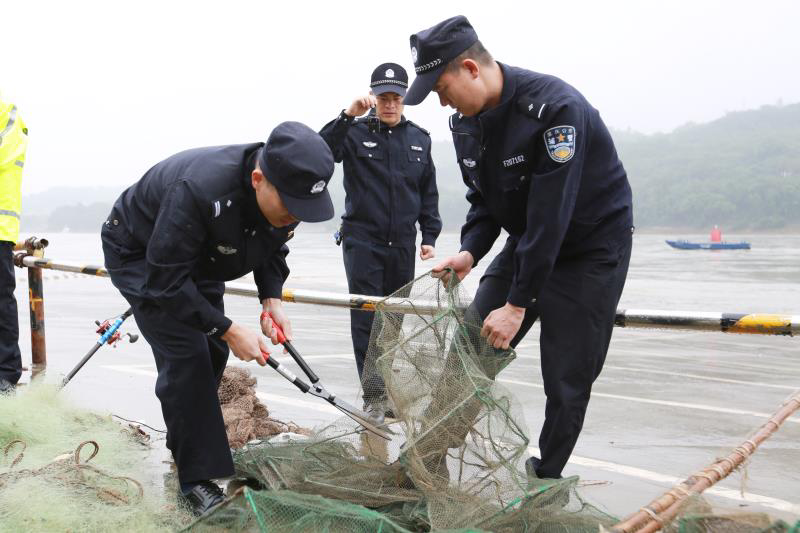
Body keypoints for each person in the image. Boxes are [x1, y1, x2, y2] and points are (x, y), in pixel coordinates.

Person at [403, 16, 634, 481]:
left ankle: (545, 479)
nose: (441, 101)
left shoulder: (555, 111)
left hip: (589, 250)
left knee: (568, 377)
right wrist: (470, 252)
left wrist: (517, 304)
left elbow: (553, 216)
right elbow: (486, 201)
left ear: (470, 68)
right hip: (529, 240)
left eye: (442, 89)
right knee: (468, 350)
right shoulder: (467, 123)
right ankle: (426, 465)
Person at [101, 122, 334, 515]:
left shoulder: (286, 196)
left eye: (303, 210)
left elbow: (273, 247)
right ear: (258, 179)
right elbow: (166, 282)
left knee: (211, 352)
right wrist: (228, 329)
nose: (295, 216)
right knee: (187, 353)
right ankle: (195, 481)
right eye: (290, 207)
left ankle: (187, 444)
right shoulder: (201, 190)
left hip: (201, 255)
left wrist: (271, 299)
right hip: (143, 255)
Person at [320, 63, 442, 418]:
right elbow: (320, 151)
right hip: (363, 242)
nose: (390, 104)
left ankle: (382, 389)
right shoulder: (354, 133)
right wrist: (346, 115)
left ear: (404, 98)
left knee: (393, 321)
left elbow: (427, 191)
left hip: (402, 243)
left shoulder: (420, 139)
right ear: (372, 97)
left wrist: (429, 233)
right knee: (366, 319)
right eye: (383, 97)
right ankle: (374, 398)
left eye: (396, 98)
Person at [0, 96, 28, 394]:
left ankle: (5, 375)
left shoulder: (6, 112)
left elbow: (6, 154)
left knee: (0, 303)